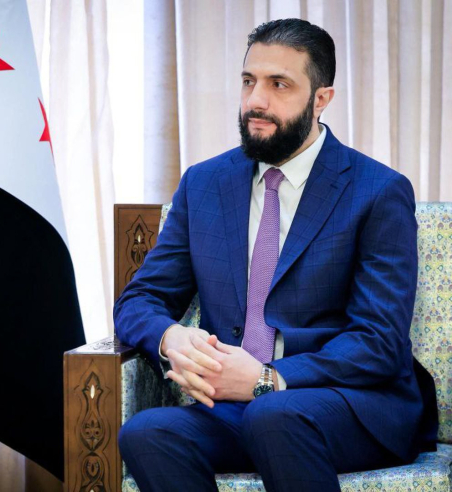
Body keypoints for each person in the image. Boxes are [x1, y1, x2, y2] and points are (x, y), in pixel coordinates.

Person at [114, 18, 438, 492]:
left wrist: (267, 378)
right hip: (240, 409)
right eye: (249, 81)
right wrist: (170, 338)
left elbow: (379, 340)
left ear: (321, 98)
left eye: (278, 84)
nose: (256, 101)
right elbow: (138, 300)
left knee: (273, 415)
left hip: (353, 403)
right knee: (146, 433)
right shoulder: (204, 184)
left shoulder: (377, 191)